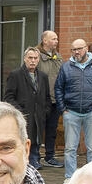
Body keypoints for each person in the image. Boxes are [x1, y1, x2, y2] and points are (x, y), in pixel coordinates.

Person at [54, 39, 92, 183]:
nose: (76, 52)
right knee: (70, 148)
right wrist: (63, 109)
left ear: (86, 48)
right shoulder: (66, 67)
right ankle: (70, 178)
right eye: (73, 49)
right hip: (71, 112)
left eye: (79, 49)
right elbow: (58, 88)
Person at [4, 47, 52, 169]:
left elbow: (47, 96)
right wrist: (19, 112)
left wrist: (46, 111)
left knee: (37, 138)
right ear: (25, 59)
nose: (33, 61)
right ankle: (28, 161)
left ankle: (35, 160)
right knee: (25, 137)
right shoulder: (16, 75)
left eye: (35, 58)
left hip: (39, 114)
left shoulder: (43, 76)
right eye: (30, 58)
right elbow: (8, 97)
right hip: (24, 114)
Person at [36, 31, 63, 166]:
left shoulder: (57, 57)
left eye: (57, 39)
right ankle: (34, 157)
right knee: (37, 129)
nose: (56, 41)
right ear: (44, 41)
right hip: (41, 100)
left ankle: (49, 156)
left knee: (52, 129)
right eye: (53, 39)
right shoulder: (37, 57)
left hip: (55, 100)